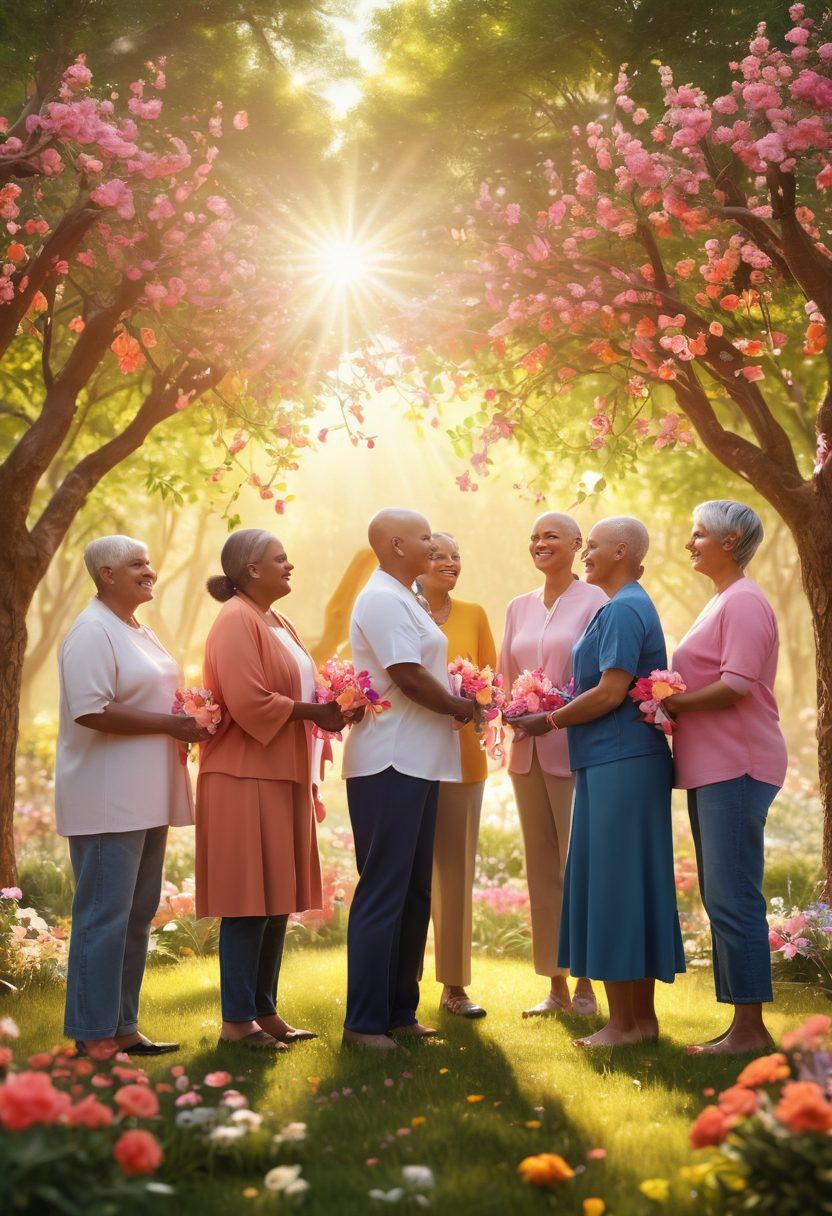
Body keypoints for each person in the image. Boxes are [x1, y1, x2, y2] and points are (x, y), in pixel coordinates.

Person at [508, 517, 685, 1048]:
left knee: (616, 890)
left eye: (597, 547)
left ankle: (625, 1024)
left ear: (622, 551)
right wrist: (545, 705)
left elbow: (610, 693)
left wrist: (550, 721)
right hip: (614, 762)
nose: (588, 554)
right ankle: (638, 1023)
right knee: (625, 888)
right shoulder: (619, 606)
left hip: (620, 762)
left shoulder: (626, 607)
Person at [57, 535, 207, 1060]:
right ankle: (91, 1032)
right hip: (106, 799)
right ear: (106, 575)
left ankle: (122, 1025)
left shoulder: (138, 629)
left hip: (148, 796)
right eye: (135, 564)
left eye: (148, 561)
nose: (149, 569)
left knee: (137, 912)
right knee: (104, 914)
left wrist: (191, 714)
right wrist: (172, 723)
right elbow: (91, 710)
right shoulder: (91, 632)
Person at [197, 529, 348, 1051]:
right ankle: (236, 1022)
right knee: (247, 900)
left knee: (275, 897)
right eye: (279, 559)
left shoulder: (275, 619)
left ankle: (263, 1010)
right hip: (243, 775)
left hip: (282, 772)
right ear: (250, 570)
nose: (290, 565)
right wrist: (316, 712)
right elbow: (248, 700)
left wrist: (335, 701)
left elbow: (294, 687)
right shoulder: (236, 619)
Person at [342, 508, 481, 1049]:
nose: (433, 544)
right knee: (383, 891)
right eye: (425, 537)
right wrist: (460, 707)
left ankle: (401, 1010)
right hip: (389, 762)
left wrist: (457, 701)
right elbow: (405, 674)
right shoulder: (380, 598)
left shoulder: (409, 599)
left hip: (421, 762)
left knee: (414, 892)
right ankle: (363, 1023)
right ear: (397, 544)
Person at [664, 500, 788, 1056]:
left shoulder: (742, 602)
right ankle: (743, 1026)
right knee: (722, 895)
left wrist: (674, 703)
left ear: (731, 538)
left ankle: (750, 1031)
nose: (690, 544)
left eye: (698, 535)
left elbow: (737, 684)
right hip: (714, 768)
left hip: (739, 764)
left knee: (733, 896)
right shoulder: (722, 600)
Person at [499, 513, 607, 1018]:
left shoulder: (597, 603)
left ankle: (587, 984)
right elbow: (504, 677)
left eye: (551, 536)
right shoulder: (517, 607)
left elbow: (599, 679)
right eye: (535, 536)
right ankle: (556, 986)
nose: (540, 542)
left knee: (577, 868)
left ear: (577, 545)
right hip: (526, 752)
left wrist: (555, 712)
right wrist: (513, 709)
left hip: (573, 750)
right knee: (541, 871)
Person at [417, 531, 496, 1018]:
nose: (450, 562)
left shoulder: (474, 615)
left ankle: (454, 987)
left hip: (464, 758)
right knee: (405, 876)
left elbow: (491, 685)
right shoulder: (399, 610)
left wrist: (476, 699)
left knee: (454, 875)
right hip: (408, 755)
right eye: (438, 555)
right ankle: (397, 985)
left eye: (456, 555)